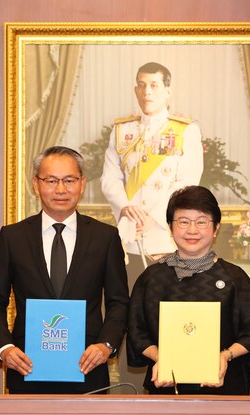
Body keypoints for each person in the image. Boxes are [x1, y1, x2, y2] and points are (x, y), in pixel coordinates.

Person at [0, 146, 129, 394]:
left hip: (88, 369)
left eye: (69, 180)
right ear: (36, 184)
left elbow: (119, 302)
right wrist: (5, 348)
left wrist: (105, 345)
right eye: (51, 180)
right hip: (27, 368)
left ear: (82, 183)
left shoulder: (105, 237)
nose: (61, 189)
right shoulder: (12, 237)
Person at [128, 186, 250, 395]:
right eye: (184, 222)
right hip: (167, 391)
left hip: (225, 390)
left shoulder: (234, 278)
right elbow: (136, 332)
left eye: (201, 222)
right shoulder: (152, 278)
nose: (192, 230)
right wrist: (161, 358)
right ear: (170, 227)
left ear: (216, 228)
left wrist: (225, 355)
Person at [101, 62, 204, 272]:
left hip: (166, 236)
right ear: (135, 90)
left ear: (168, 91)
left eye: (154, 85)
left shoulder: (186, 131)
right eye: (141, 85)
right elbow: (110, 178)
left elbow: (187, 182)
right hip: (130, 235)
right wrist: (125, 208)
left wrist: (153, 217)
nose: (147, 91)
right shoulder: (121, 131)